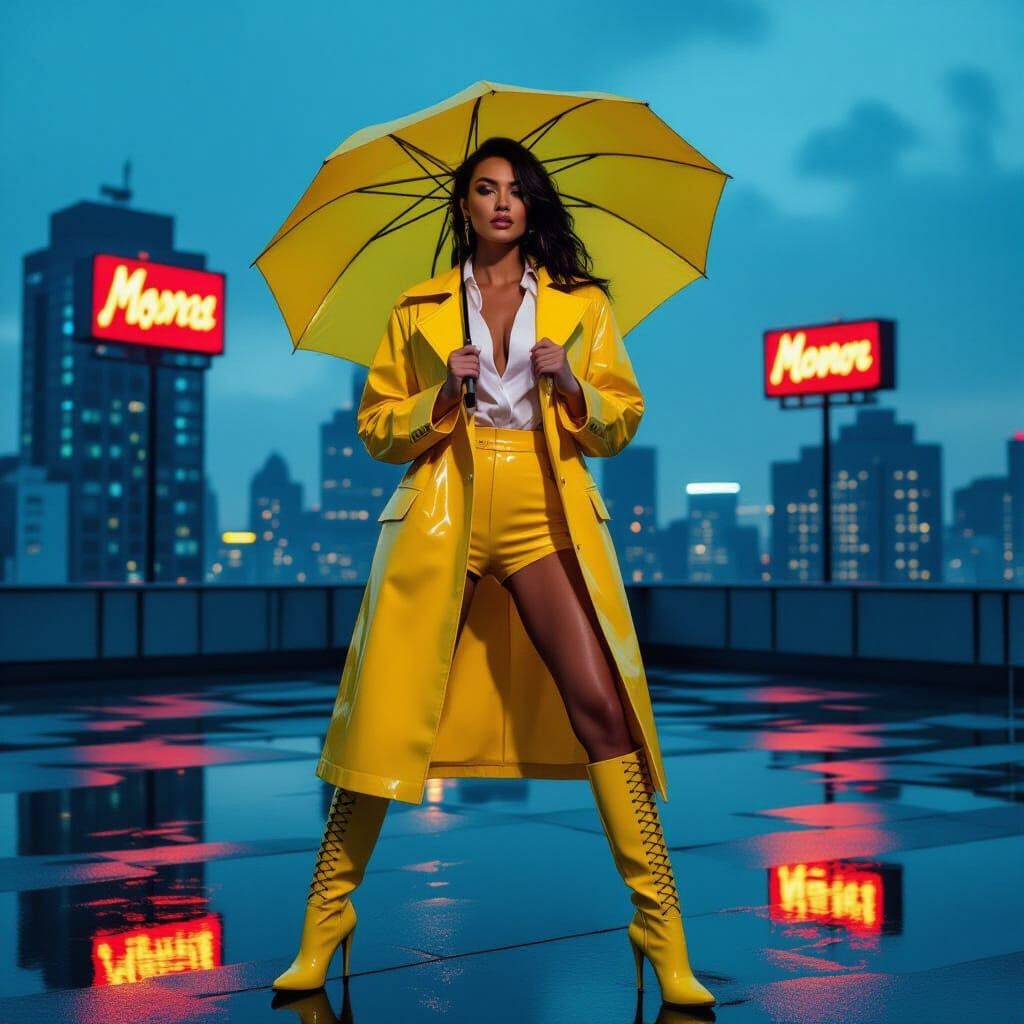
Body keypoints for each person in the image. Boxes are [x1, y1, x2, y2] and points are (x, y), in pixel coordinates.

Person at [272, 137, 717, 1010]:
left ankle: (661, 932)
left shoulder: (581, 307)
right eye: (486, 189)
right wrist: (440, 393)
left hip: (541, 503)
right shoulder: (419, 308)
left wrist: (574, 387)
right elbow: (375, 430)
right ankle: (324, 926)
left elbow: (621, 420)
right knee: (386, 720)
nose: (503, 202)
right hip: (441, 503)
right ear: (465, 206)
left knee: (602, 705)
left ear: (532, 205)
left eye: (517, 189)